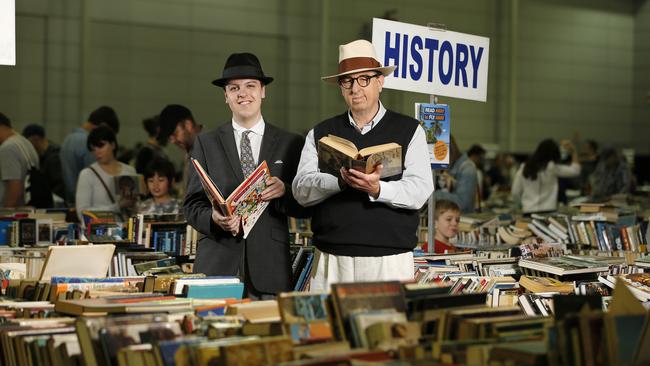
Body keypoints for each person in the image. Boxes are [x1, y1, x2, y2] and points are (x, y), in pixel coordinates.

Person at [292, 40, 433, 291]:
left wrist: (378, 190)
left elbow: (420, 190)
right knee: (329, 329)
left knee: (385, 329)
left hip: (390, 260)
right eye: (347, 81)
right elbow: (301, 190)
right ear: (340, 87)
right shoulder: (321, 133)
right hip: (332, 258)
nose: (355, 88)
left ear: (380, 81)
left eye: (364, 79)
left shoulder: (410, 130)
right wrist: (338, 181)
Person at [183, 52, 306, 298]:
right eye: (234, 88)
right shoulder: (206, 143)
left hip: (269, 268)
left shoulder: (290, 143)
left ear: (263, 91)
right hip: (217, 264)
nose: (243, 93)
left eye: (251, 86)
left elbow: (306, 206)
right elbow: (192, 205)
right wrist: (214, 218)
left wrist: (285, 191)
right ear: (225, 96)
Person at [75, 125, 136, 222]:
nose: (97, 152)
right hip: (100, 232)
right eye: (93, 148)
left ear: (113, 145)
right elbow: (82, 213)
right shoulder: (87, 174)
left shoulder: (129, 171)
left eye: (101, 146)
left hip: (127, 230)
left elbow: (136, 210)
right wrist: (116, 207)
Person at [61, 106, 120, 205]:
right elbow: (100, 174)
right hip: (92, 206)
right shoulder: (88, 142)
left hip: (71, 201)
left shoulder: (68, 139)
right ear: (103, 125)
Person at [511, 139, 580, 214]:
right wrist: (573, 151)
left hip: (528, 210)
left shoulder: (523, 168)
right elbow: (575, 170)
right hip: (548, 210)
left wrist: (520, 205)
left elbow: (515, 192)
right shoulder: (552, 167)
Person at [157, 104, 203, 197]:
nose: (173, 141)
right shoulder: (190, 151)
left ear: (188, 125)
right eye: (169, 138)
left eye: (175, 134)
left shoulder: (212, 147)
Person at [0, 112, 40, 207]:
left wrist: (5, 216)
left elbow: (14, 188)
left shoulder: (7, 148)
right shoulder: (24, 142)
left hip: (13, 215)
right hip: (27, 209)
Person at [434, 136, 478, 213]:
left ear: (451, 150)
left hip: (462, 220)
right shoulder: (448, 166)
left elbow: (462, 203)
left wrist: (433, 195)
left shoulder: (467, 168)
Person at [22, 124, 65, 201]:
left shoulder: (54, 158)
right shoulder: (44, 156)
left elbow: (59, 185)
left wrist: (46, 200)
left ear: (35, 139)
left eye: (27, 143)